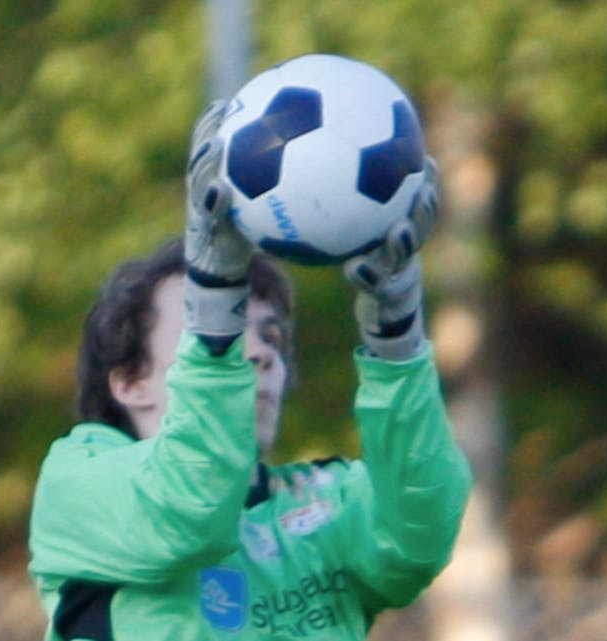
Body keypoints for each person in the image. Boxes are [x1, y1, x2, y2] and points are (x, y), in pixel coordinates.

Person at [27, 100, 472, 641]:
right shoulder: (79, 482)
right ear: (130, 381)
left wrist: (398, 345)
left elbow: (420, 534)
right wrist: (214, 301)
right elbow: (189, 510)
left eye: (271, 335)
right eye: (220, 329)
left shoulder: (325, 503)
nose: (260, 353)